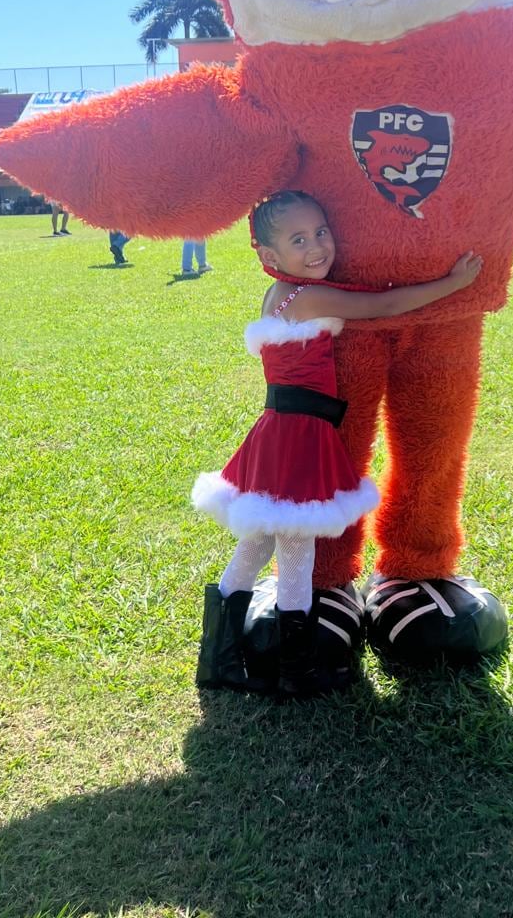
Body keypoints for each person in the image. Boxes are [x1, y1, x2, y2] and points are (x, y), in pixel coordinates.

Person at [191, 190, 483, 699]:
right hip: (299, 436)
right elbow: (383, 305)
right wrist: (452, 284)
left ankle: (216, 659)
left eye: (321, 232)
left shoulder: (281, 292)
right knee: (296, 549)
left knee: (257, 543)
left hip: (279, 430)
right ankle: (298, 672)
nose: (317, 247)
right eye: (299, 240)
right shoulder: (308, 298)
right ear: (269, 254)